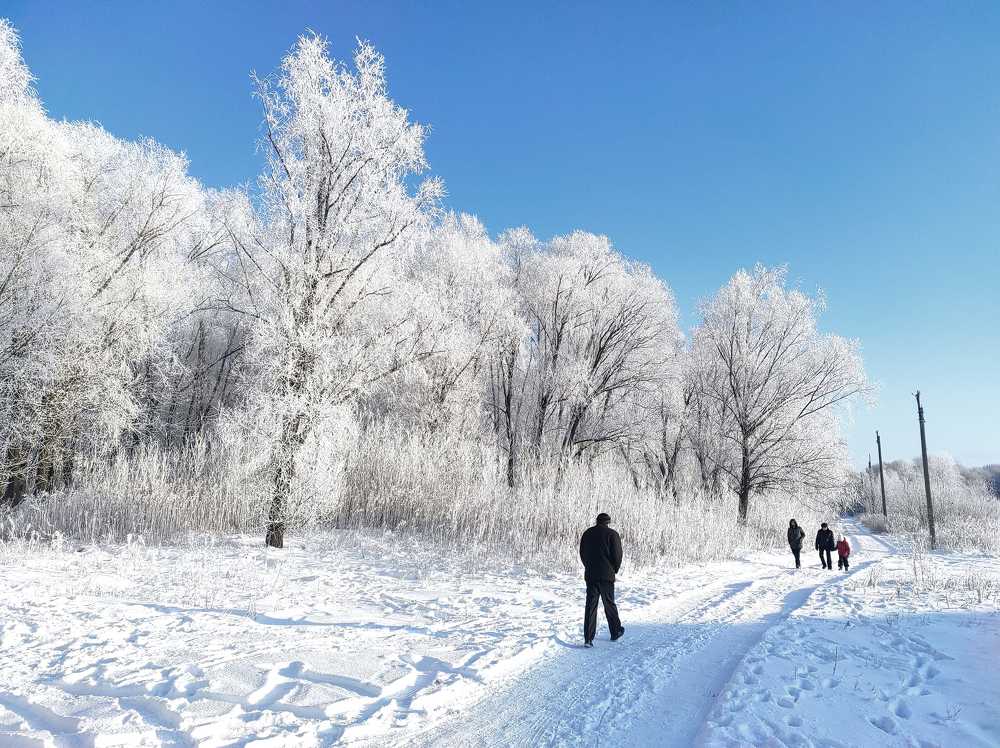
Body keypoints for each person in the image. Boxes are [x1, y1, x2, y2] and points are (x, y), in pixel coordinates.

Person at [579, 512, 624, 648]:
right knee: (609, 603)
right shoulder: (612, 534)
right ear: (608, 522)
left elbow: (582, 553)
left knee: (591, 606)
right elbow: (617, 555)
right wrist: (614, 569)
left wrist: (588, 566)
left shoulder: (587, 533)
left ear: (597, 521)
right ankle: (615, 631)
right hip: (607, 576)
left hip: (591, 575)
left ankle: (588, 638)